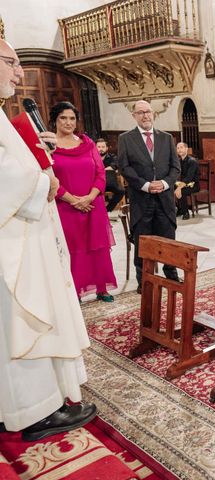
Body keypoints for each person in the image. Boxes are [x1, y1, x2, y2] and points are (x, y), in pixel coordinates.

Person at [0, 38, 96, 442]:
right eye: (12, 62)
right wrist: (45, 181)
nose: (20, 73)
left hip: (22, 235)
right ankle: (35, 410)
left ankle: (13, 406)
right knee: (26, 321)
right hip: (16, 242)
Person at [50, 102, 117, 302]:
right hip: (65, 207)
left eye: (72, 118)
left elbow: (100, 173)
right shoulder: (49, 145)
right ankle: (75, 290)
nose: (68, 122)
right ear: (55, 120)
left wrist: (89, 197)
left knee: (98, 248)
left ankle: (101, 288)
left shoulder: (87, 143)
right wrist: (73, 201)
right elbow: (49, 177)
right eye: (63, 118)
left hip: (92, 205)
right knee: (73, 250)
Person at [117, 100, 181, 294]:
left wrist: (165, 183)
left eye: (148, 112)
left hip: (164, 199)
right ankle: (144, 281)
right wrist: (145, 185)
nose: (145, 116)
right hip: (141, 200)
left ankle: (172, 276)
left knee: (168, 240)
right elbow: (124, 167)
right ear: (134, 116)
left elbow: (175, 167)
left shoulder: (166, 138)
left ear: (153, 114)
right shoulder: (126, 139)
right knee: (143, 243)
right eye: (141, 112)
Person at [96, 138, 125, 212]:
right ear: (95, 148)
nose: (101, 149)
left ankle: (108, 209)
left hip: (110, 182)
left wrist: (100, 170)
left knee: (121, 191)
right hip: (97, 183)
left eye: (103, 147)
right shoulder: (92, 157)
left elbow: (115, 165)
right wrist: (107, 169)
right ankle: (97, 211)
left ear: (107, 148)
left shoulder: (112, 157)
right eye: (99, 147)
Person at [174, 142, 200, 220]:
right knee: (169, 188)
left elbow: (189, 177)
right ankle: (179, 208)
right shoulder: (179, 161)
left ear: (186, 149)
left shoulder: (192, 161)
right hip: (184, 184)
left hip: (194, 185)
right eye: (178, 148)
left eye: (181, 147)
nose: (179, 150)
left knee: (181, 191)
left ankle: (185, 212)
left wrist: (178, 188)